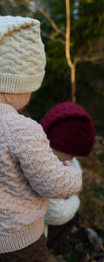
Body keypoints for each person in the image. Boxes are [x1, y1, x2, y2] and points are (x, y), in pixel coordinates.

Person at [0, 15, 82, 262]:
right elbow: (54, 185)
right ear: (16, 85)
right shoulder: (20, 129)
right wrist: (74, 173)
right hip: (18, 243)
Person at [40, 101, 95, 249]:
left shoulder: (45, 146)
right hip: (25, 237)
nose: (71, 159)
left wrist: (74, 180)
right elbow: (55, 215)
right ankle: (44, 250)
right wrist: (75, 197)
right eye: (69, 155)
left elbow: (74, 163)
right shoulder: (44, 168)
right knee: (72, 216)